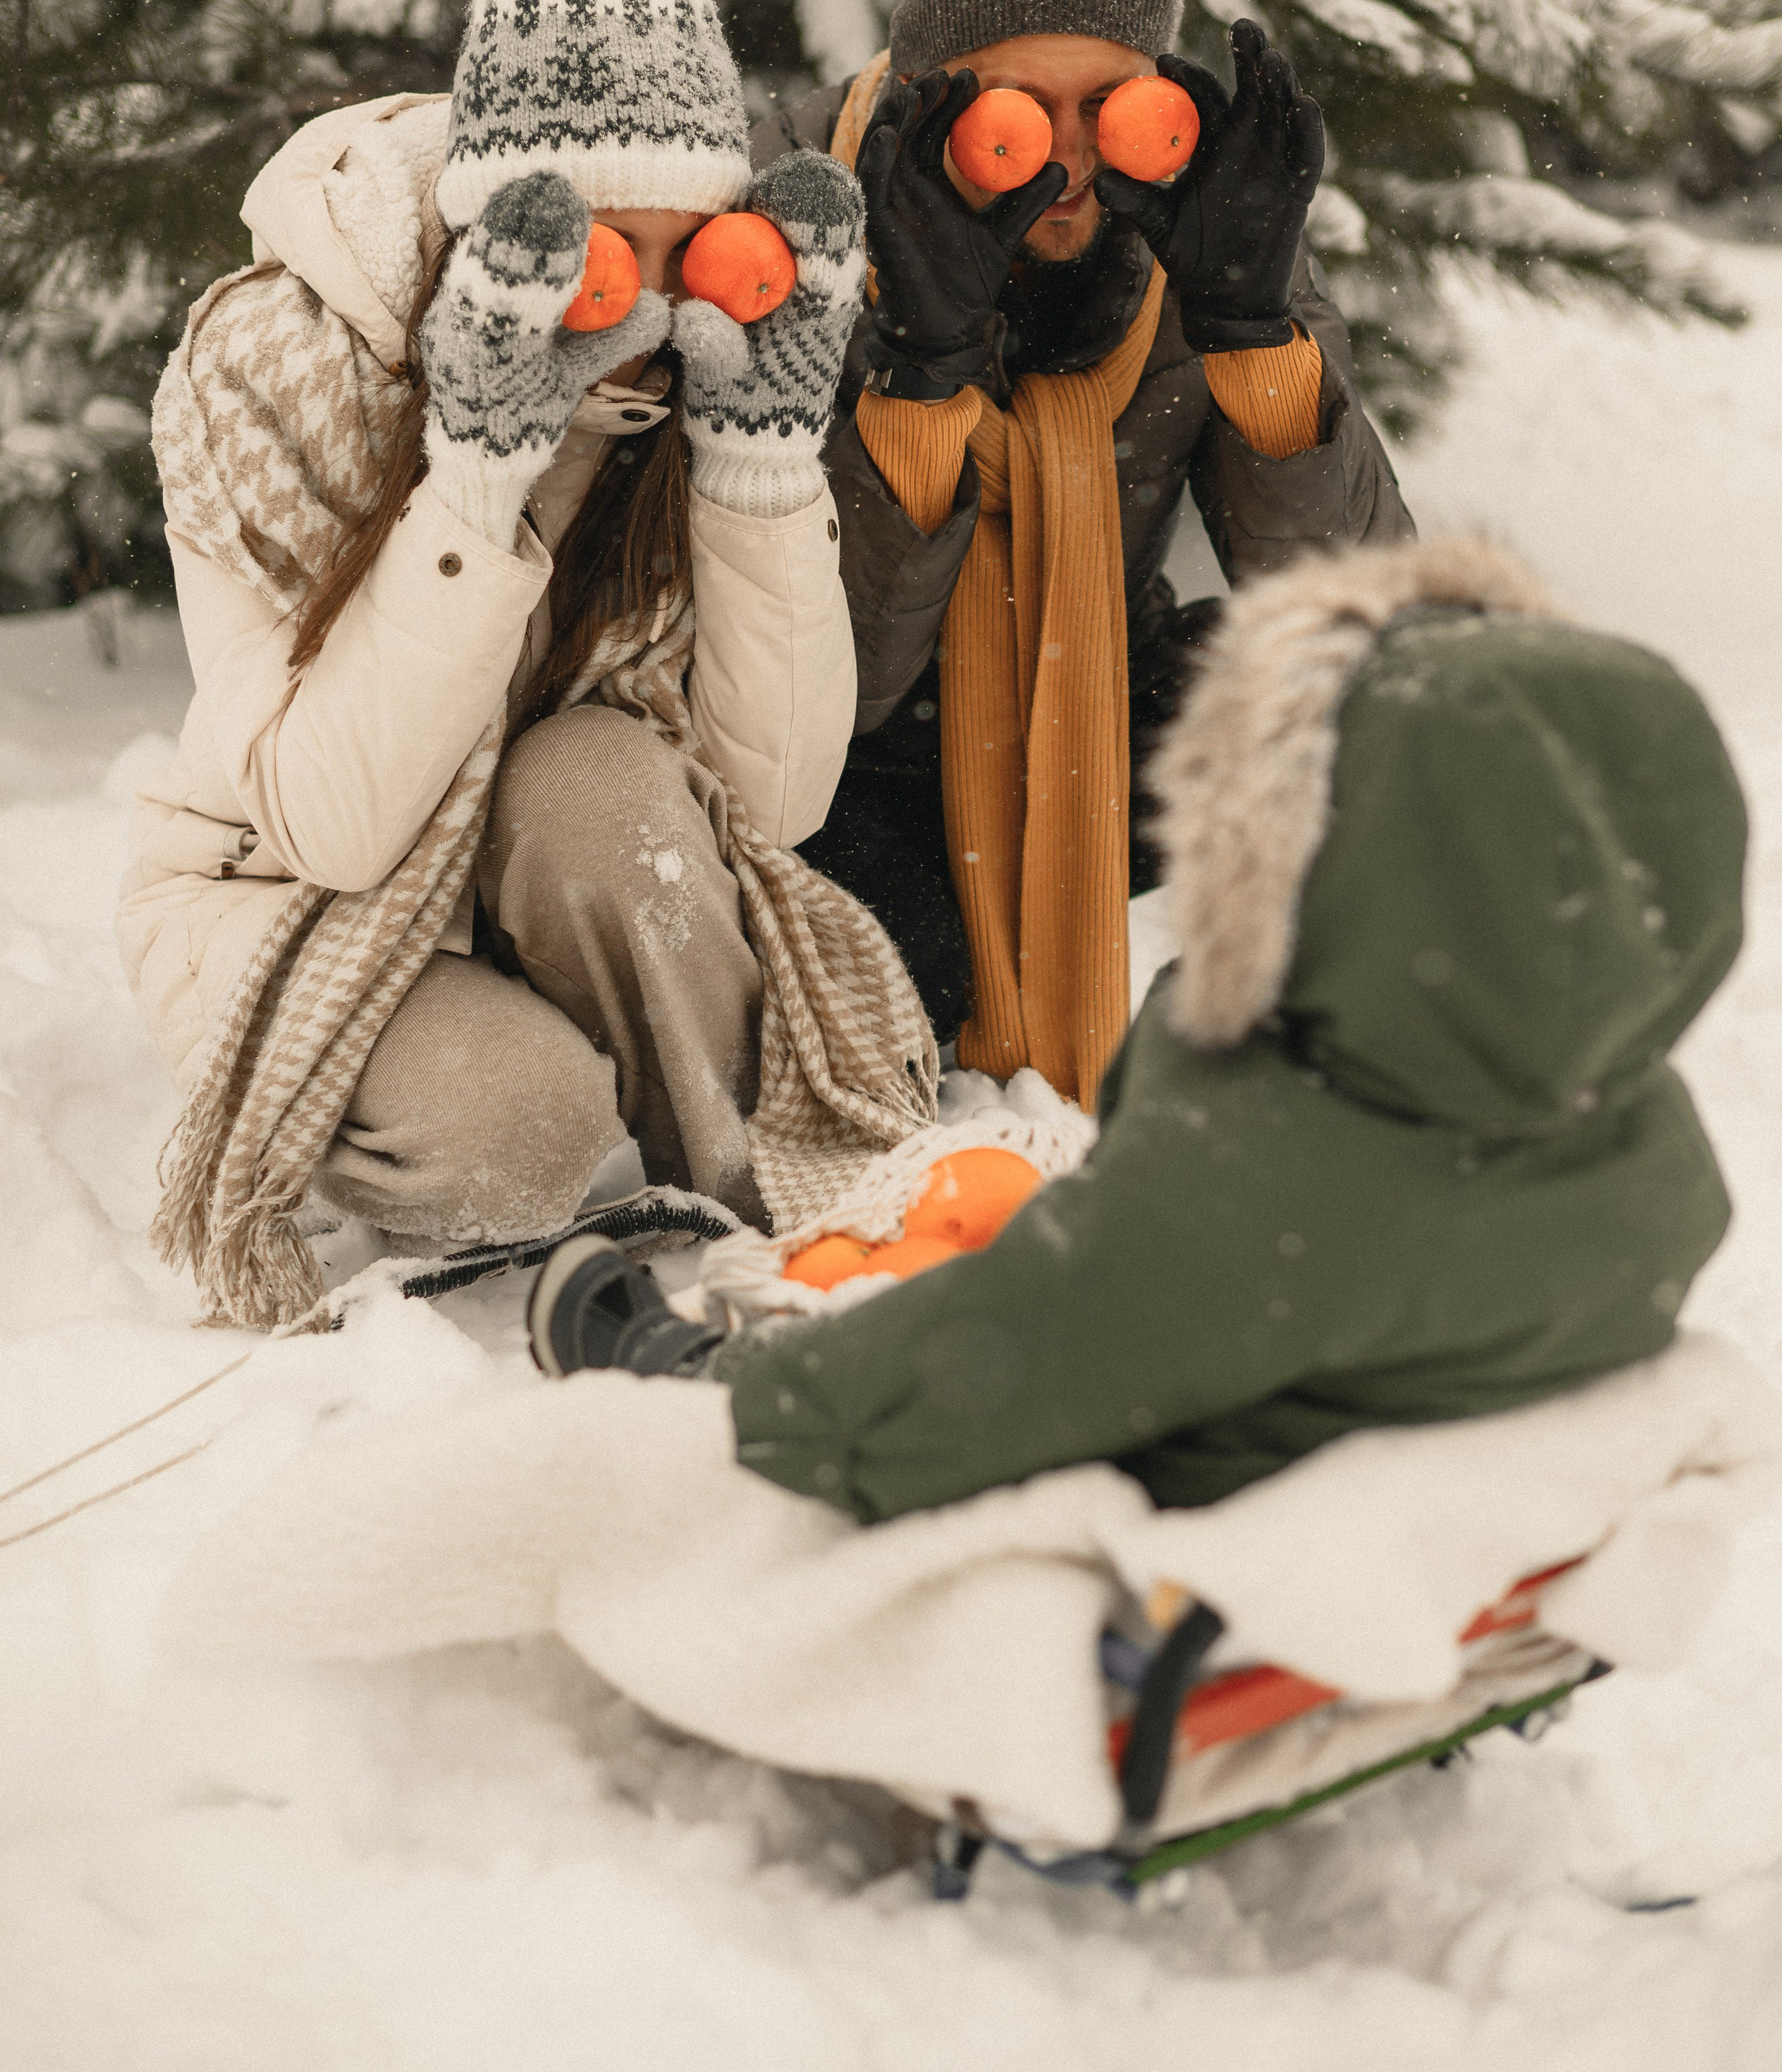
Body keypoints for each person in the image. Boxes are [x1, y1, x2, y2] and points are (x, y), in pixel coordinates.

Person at [119, 0, 931, 1335]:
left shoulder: (690, 384)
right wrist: (479, 469)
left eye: (676, 248)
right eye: (598, 254)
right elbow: (335, 824)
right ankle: (543, 1136)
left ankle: (758, 1195)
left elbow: (773, 808)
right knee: (520, 1135)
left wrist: (758, 464)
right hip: (285, 885)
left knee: (608, 786)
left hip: (529, 863)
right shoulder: (276, 374)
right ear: (490, 219)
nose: (636, 312)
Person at [530, 537, 1746, 1530]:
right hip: (1317, 1372)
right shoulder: (1652, 1156)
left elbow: (996, 1367)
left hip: (1157, 1460)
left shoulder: (1264, 1190)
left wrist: (738, 1394)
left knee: (965, 1314)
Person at [751, 0, 1416, 1110]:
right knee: (910, 971)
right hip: (841, 749)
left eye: (1103, 104)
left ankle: (1350, 1078)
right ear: (936, 84)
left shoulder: (1195, 215)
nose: (1065, 163)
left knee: (1378, 713)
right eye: (1014, 109)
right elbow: (813, 685)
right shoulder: (793, 216)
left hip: (1096, 695)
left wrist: (1250, 335)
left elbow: (1363, 605)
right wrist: (923, 378)